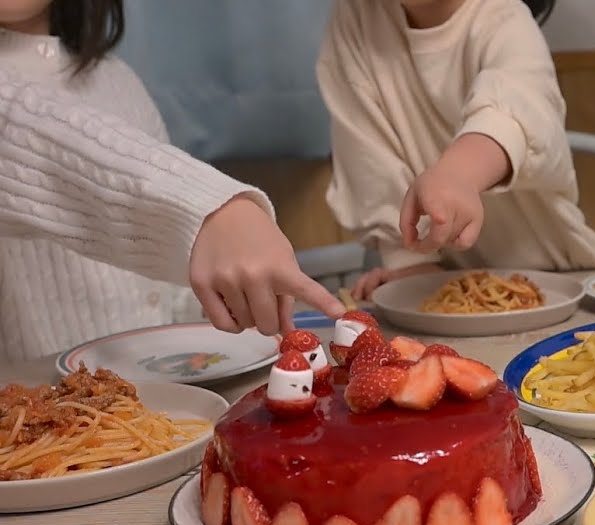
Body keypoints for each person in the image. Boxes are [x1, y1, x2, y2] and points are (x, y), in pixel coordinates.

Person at [0, 0, 343, 363]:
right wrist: (207, 208)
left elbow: (170, 284)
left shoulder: (116, 80)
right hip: (40, 409)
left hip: (161, 401)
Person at [316, 0, 595, 301]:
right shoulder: (357, 15)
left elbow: (518, 104)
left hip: (557, 278)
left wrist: (458, 174)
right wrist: (410, 261)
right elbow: (366, 154)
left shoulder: (504, 16)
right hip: (442, 278)